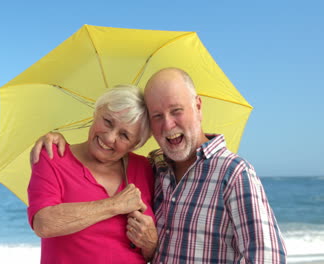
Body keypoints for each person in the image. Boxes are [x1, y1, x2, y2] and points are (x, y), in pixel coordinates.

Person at [31, 68, 287, 263]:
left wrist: (150, 241)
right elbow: (44, 223)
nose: (168, 125)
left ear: (198, 106)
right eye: (157, 116)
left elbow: (267, 256)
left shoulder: (231, 173)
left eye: (176, 111)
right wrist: (116, 207)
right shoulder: (159, 169)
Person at [27, 85, 158, 264]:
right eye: (108, 121)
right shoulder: (52, 156)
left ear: (136, 144)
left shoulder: (144, 168)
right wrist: (114, 204)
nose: (110, 137)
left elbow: (150, 253)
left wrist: (151, 243)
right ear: (96, 112)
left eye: (124, 135)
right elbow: (44, 224)